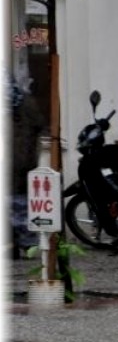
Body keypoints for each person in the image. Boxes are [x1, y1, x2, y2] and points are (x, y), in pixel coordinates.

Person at [8, 75, 44, 259]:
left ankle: (12, 244)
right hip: (25, 159)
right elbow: (39, 124)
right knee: (21, 203)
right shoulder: (25, 100)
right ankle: (28, 244)